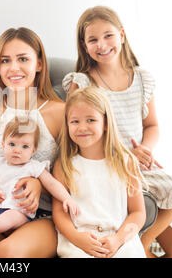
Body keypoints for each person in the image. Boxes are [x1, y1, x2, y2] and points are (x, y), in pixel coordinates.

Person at [62, 5, 172, 258]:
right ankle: (140, 246)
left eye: (108, 36)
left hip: (139, 163)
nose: (102, 45)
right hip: (110, 164)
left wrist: (144, 149)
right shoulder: (83, 81)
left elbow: (152, 126)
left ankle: (143, 243)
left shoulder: (142, 78)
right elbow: (75, 130)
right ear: (84, 45)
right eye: (93, 39)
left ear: (122, 35)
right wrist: (126, 155)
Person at [0, 27, 65, 257]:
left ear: (39, 64)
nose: (14, 68)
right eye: (5, 61)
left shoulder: (60, 112)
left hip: (42, 216)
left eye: (23, 59)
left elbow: (72, 174)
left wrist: (39, 183)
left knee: (9, 252)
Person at [53, 86, 146, 258]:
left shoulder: (125, 162)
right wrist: (76, 238)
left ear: (105, 123)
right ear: (67, 125)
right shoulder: (64, 165)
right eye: (75, 121)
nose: (82, 127)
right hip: (79, 242)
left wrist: (118, 239)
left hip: (120, 240)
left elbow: (138, 212)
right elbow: (59, 212)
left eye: (90, 120)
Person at [0, 117, 79, 241]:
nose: (17, 150)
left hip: (19, 211)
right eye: (12, 144)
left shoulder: (34, 167)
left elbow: (52, 184)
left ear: (33, 150)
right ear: (3, 145)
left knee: (9, 218)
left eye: (25, 147)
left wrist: (66, 198)